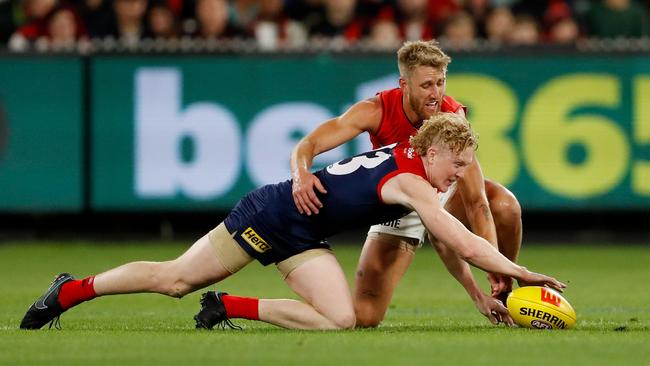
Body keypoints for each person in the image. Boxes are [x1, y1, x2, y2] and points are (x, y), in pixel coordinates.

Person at [20, 113, 565, 331]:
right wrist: (524, 273)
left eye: (466, 167)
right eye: (458, 164)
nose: (461, 175)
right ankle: (72, 292)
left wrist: (491, 282)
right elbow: (463, 240)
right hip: (272, 213)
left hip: (306, 234)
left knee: (342, 321)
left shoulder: (414, 164)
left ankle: (229, 309)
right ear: (436, 151)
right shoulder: (411, 181)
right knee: (175, 280)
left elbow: (456, 242)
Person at [290, 40, 523, 327]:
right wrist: (301, 173)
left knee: (505, 205)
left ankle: (507, 295)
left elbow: (476, 201)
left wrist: (495, 266)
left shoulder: (452, 118)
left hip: (443, 198)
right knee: (364, 318)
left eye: (440, 83)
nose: (435, 93)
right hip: (397, 205)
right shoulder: (375, 110)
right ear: (404, 84)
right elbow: (309, 143)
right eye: (427, 85)